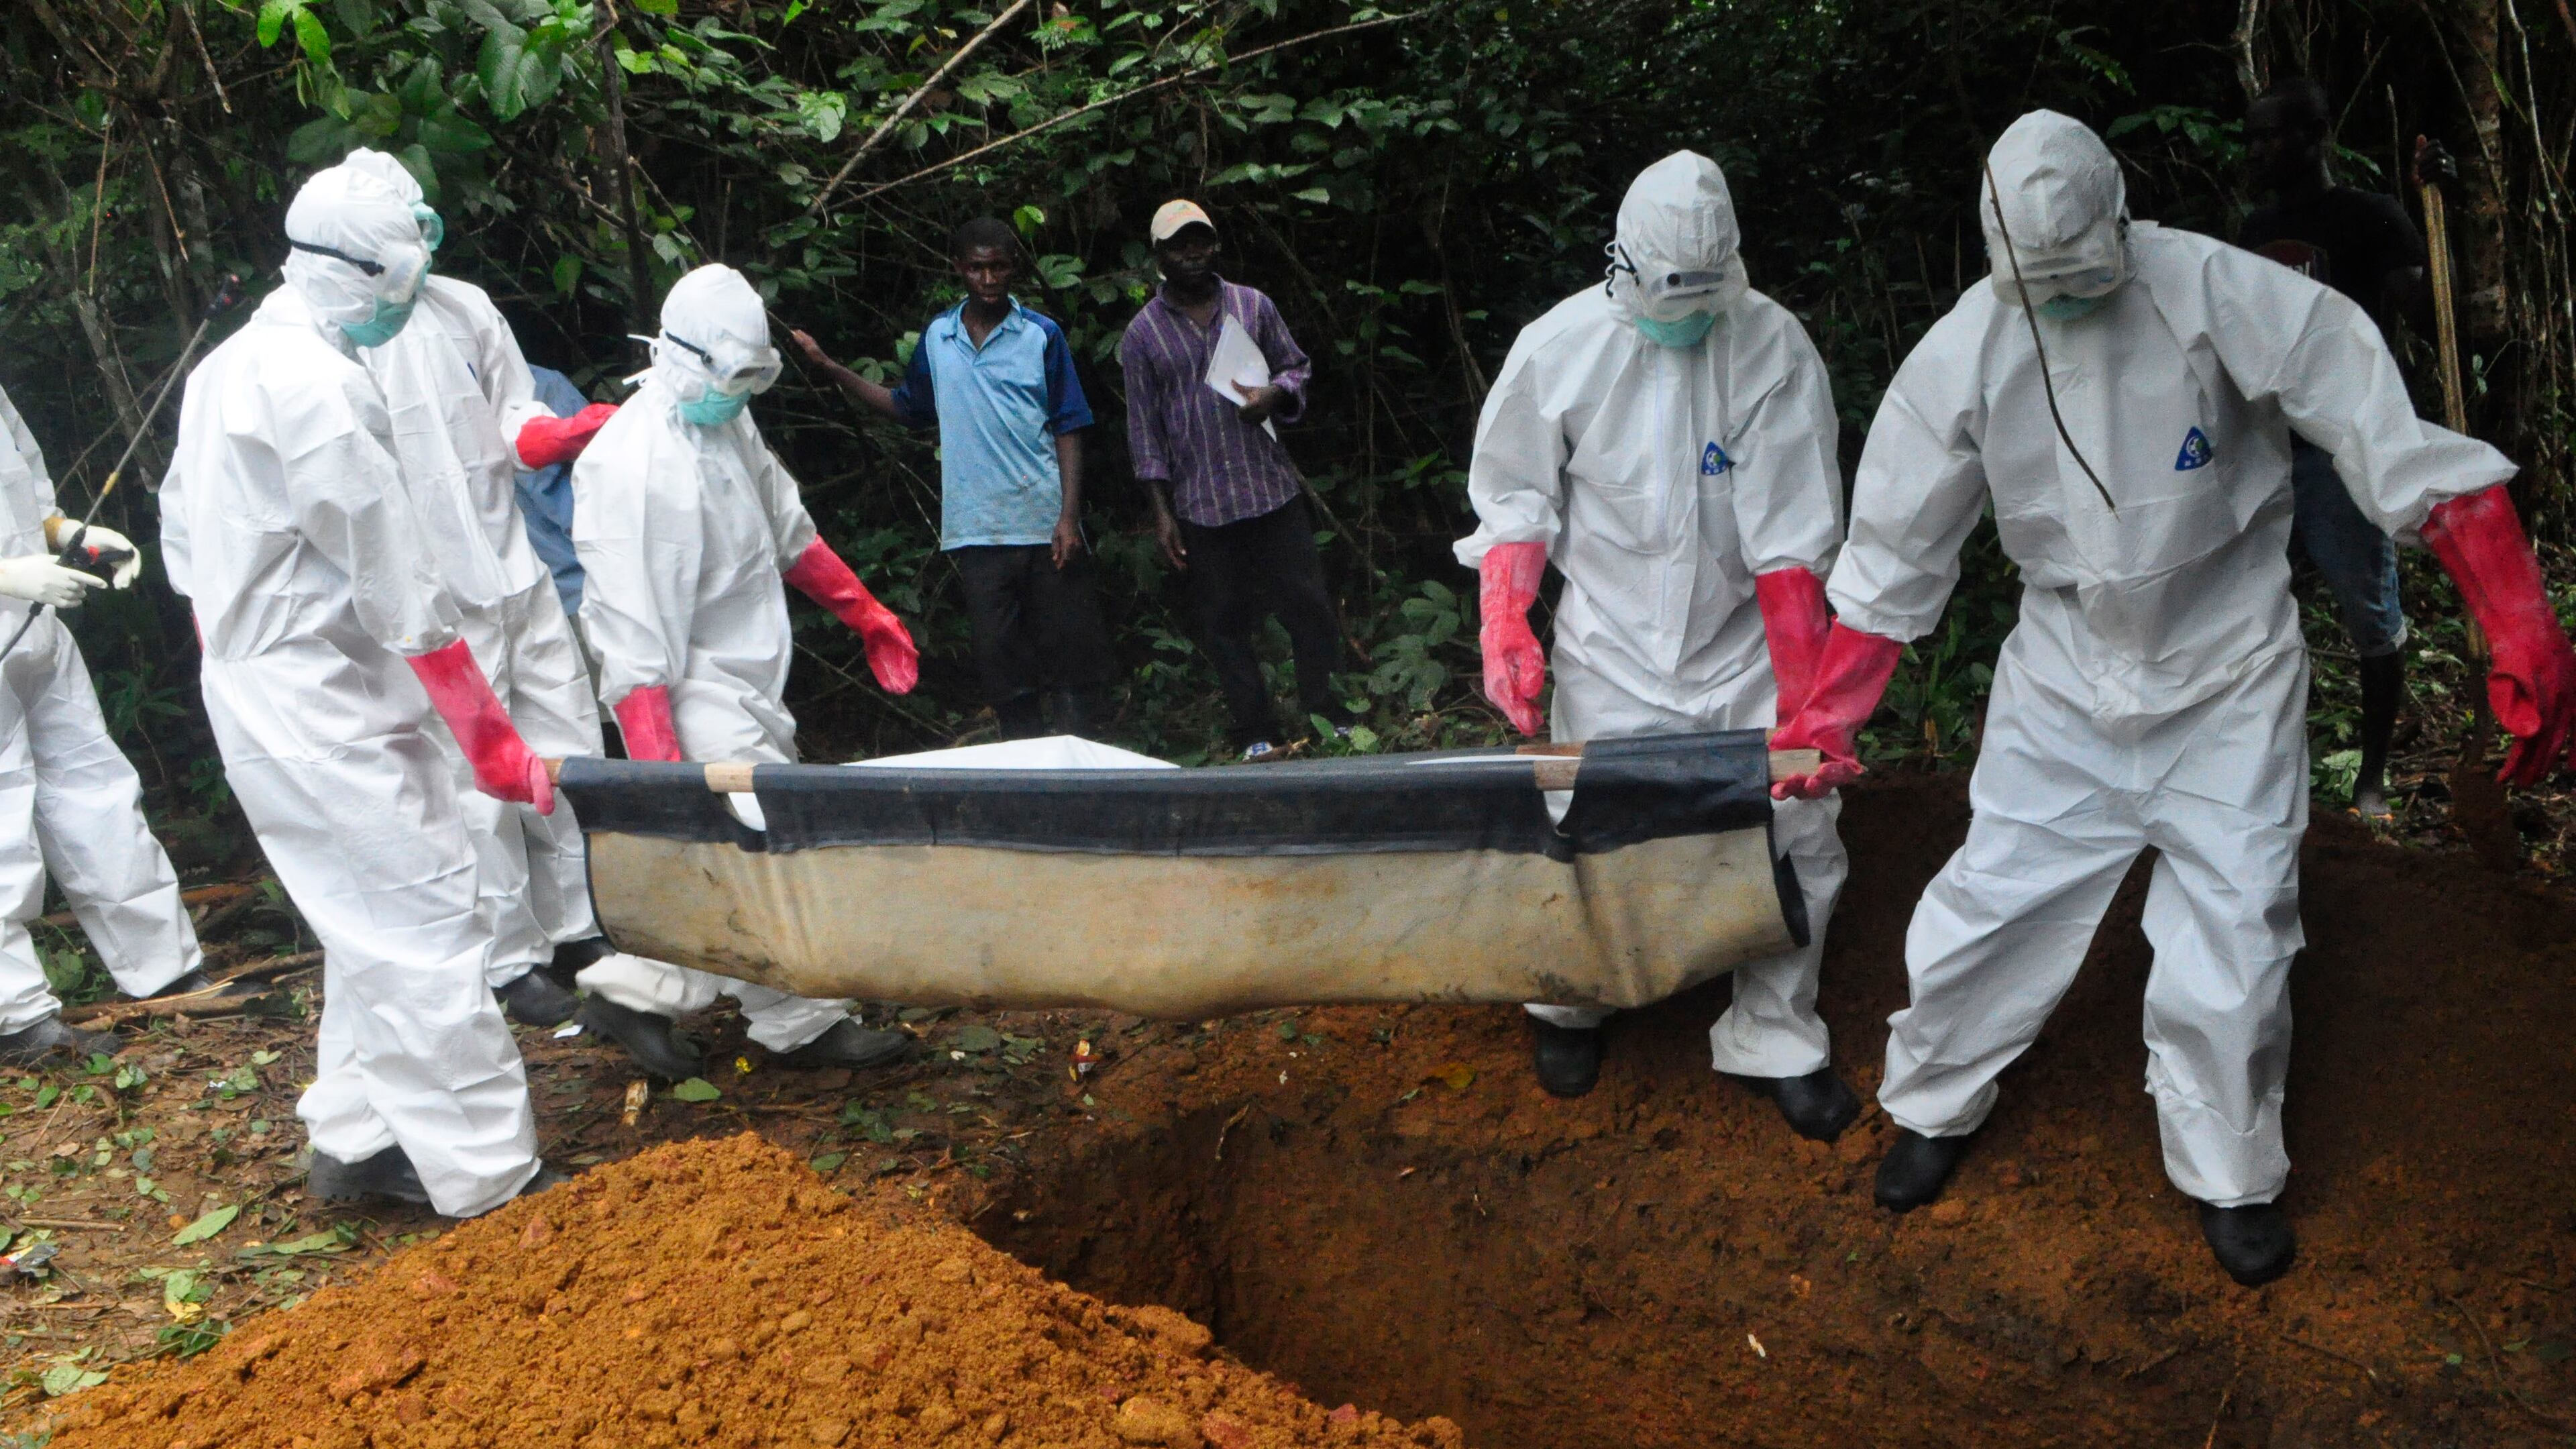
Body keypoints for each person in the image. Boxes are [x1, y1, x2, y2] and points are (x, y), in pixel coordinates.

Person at [1772, 110, 2574, 1286]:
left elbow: (2382, 434)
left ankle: (2229, 1171)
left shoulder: (2222, 290)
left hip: (2228, 667)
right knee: (1993, 902)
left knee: (2237, 929)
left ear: (2121, 215)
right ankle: (1936, 1105)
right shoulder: (1963, 351)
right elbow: (1895, 554)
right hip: (2066, 677)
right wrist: (1826, 716)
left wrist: (2517, 619)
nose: (2061, 298)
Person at [164, 160, 559, 1214]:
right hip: (320, 697)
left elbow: (181, 546)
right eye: (400, 284)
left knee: (362, 921)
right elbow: (401, 584)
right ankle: (494, 1179)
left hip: (279, 684)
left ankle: (355, 1138)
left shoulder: (228, 369)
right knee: (427, 921)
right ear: (362, 274)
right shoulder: (321, 390)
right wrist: (489, 737)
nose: (406, 305)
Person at [1457, 152, 1859, 1136]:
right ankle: (1572, 1002)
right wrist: (1507, 619)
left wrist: (1808, 703)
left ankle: (1773, 1028)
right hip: (1612, 647)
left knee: (1799, 832)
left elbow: (1794, 544)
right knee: (1581, 824)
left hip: (1746, 649)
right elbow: (1514, 496)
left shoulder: (1771, 348)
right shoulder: (1560, 347)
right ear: (1621, 266)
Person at [570, 262, 922, 1078]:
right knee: (764, 853)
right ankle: (796, 1024)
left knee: (733, 861)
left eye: (758, 377)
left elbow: (788, 529)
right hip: (680, 691)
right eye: (737, 377)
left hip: (747, 679)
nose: (745, 393)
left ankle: (638, 993)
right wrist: (662, 779)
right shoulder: (634, 464)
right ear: (684, 358)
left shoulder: (723, 423)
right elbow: (631, 640)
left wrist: (866, 612)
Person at [335, 149, 618, 1030]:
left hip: (516, 569)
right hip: (436, 602)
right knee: (477, 782)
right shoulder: (343, 339)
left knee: (569, 747)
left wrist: (552, 437)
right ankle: (512, 956)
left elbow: (513, 406)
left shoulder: (466, 307)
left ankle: (585, 928)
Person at [792, 217, 1111, 740]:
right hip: (976, 531)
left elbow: (1070, 425)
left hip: (1043, 525)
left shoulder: (1040, 335)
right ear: (959, 269)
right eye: (978, 268)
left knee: (1069, 656)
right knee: (1003, 665)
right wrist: (831, 368)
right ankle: (1027, 772)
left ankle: (1083, 774)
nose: (989, 278)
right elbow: (906, 406)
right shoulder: (939, 338)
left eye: (999, 266)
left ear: (1014, 268)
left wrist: (1069, 517)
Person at [0, 382, 221, 1067]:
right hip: (18, 598)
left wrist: (74, 537)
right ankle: (15, 1020)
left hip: (37, 628)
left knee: (97, 793)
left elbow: (30, 500)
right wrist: (7, 575)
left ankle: (167, 972)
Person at [2241, 77, 2443, 817]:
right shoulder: (2251, 234)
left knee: (2369, 618)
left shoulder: (2367, 218)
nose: (2259, 151)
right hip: (2266, 452)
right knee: (2249, 612)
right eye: (2253, 137)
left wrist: (2430, 218)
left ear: (2316, 134)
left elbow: (2423, 308)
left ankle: (2371, 781)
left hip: (2343, 450)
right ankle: (2264, 770)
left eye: (2273, 136)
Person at [1118, 200, 1346, 761]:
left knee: (1308, 607)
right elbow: (1143, 430)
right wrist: (1163, 513)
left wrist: (1277, 394)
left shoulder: (1252, 305)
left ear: (1214, 245)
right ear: (1160, 256)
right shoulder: (1143, 335)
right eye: (1179, 245)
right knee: (1223, 623)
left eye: (1200, 241)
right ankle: (1255, 733)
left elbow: (1297, 366)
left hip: (1268, 488)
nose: (1192, 253)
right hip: (1202, 504)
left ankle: (1329, 717)